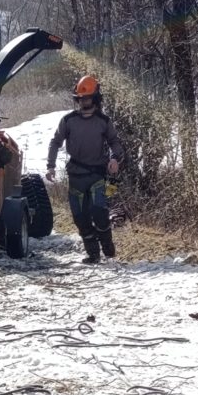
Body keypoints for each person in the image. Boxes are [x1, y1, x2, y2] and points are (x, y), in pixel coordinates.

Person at [45, 75, 125, 264]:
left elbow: (115, 142)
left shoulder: (104, 121)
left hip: (97, 174)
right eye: (80, 99)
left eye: (87, 98)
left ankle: (108, 249)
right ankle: (93, 254)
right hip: (76, 175)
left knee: (99, 212)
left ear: (95, 98)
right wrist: (50, 165)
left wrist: (115, 158)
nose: (83, 102)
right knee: (80, 217)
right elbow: (55, 142)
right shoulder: (68, 120)